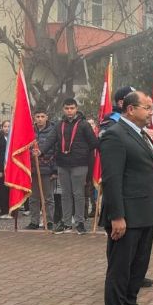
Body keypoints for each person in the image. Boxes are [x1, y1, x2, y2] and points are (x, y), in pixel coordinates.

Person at [99, 90, 153, 305]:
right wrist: (117, 216)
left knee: (138, 266)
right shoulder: (114, 136)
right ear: (130, 109)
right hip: (126, 216)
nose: (150, 113)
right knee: (120, 268)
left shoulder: (141, 134)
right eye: (147, 108)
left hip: (144, 212)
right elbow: (112, 179)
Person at [55, 98, 98, 235]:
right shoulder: (59, 125)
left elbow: (93, 143)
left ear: (76, 108)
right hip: (63, 164)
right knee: (65, 194)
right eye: (67, 108)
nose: (69, 111)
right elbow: (51, 139)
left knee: (78, 194)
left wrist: (83, 153)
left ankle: (79, 222)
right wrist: (41, 151)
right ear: (63, 109)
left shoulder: (84, 124)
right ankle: (66, 223)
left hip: (79, 164)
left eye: (72, 108)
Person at [27, 111, 57, 230]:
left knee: (48, 198)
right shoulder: (29, 131)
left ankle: (49, 221)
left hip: (47, 168)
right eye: (37, 117)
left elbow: (56, 151)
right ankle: (34, 221)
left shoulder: (53, 131)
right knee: (33, 198)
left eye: (42, 117)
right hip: (32, 168)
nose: (40, 119)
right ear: (34, 118)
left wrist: (55, 170)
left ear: (47, 117)